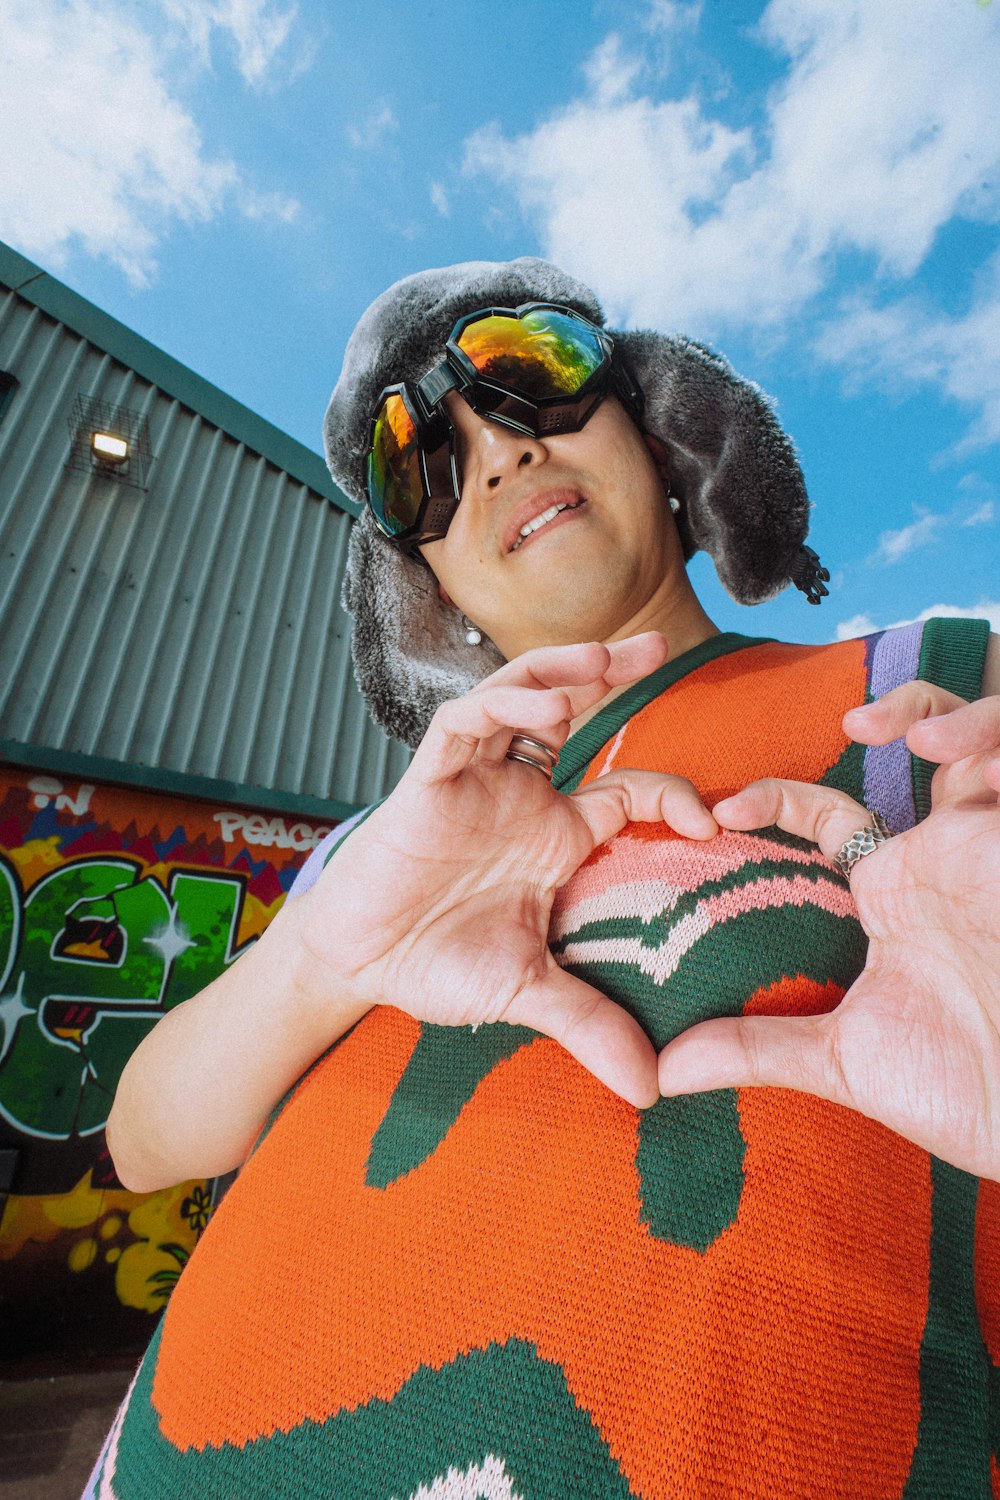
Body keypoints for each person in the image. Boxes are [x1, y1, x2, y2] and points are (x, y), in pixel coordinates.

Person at [88, 258, 999, 1498]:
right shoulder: (390, 841)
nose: (501, 457)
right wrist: (317, 960)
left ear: (663, 429)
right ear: (426, 587)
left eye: (529, 375)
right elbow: (144, 1141)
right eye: (422, 463)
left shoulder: (929, 695)